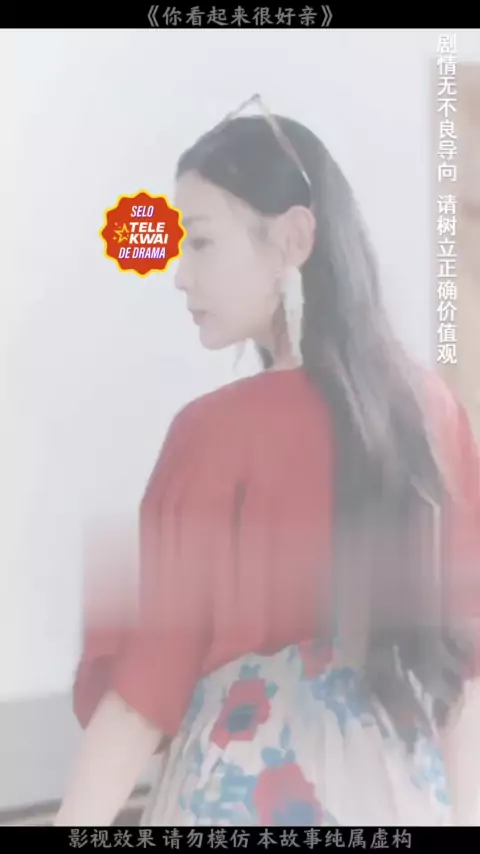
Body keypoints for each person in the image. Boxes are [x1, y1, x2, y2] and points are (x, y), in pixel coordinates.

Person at [55, 96, 480, 827]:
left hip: (243, 794)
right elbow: (460, 674)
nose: (180, 274)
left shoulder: (217, 432)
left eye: (201, 242)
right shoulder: (432, 412)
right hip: (408, 797)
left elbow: (143, 695)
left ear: (294, 238)